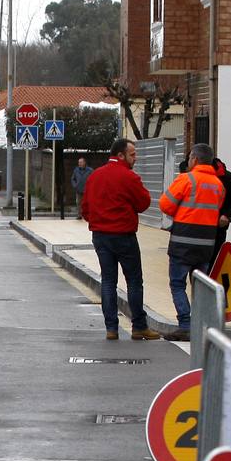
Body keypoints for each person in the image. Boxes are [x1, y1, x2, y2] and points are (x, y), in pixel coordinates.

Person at [80, 140, 161, 341]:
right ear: (121, 155)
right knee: (134, 281)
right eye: (133, 154)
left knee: (108, 281)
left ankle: (111, 328)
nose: (136, 158)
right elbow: (143, 203)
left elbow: (85, 208)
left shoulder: (94, 176)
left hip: (100, 235)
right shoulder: (130, 177)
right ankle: (139, 327)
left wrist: (98, 221)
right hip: (124, 235)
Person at [159, 143, 226, 341]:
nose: (188, 162)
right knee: (200, 286)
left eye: (189, 159)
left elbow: (165, 204)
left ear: (195, 160)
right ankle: (201, 323)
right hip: (206, 244)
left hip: (182, 241)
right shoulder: (218, 185)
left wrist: (180, 213)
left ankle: (186, 325)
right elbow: (215, 208)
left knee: (178, 284)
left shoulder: (186, 179)